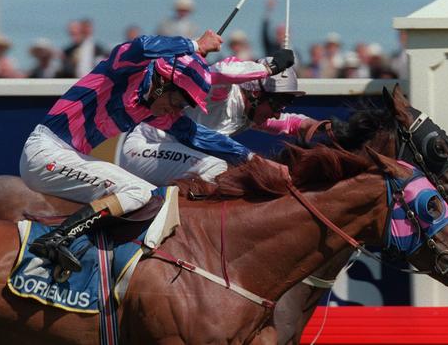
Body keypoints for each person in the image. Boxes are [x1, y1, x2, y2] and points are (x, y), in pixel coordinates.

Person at [20, 31, 293, 271]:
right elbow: (143, 45)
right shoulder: (123, 69)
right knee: (139, 192)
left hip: (65, 155)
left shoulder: (150, 109)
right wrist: (193, 45)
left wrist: (252, 160)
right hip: (46, 151)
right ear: (163, 83)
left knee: (145, 196)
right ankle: (56, 240)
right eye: (177, 102)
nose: (176, 111)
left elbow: (198, 136)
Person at [120, 50, 313, 186]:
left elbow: (290, 123)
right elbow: (221, 71)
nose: (278, 112)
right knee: (218, 168)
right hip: (143, 149)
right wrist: (269, 69)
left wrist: (320, 126)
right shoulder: (220, 94)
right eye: (277, 104)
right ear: (255, 94)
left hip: (168, 160)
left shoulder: (251, 114)